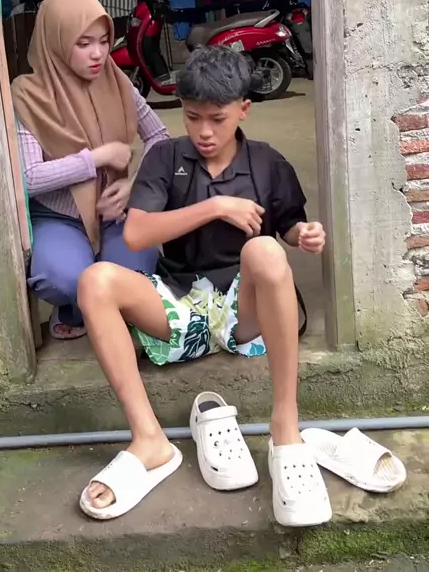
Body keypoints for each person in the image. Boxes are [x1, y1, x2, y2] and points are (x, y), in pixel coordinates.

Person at [77, 46, 331, 527]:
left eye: (217, 118)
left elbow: (288, 223)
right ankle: (149, 439)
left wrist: (304, 234)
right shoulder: (165, 156)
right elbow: (136, 233)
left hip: (243, 312)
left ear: (243, 109)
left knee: (264, 250)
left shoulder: (266, 162)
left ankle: (285, 427)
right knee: (95, 280)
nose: (205, 132)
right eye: (193, 118)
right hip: (180, 305)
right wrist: (216, 207)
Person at [12, 0, 168, 340]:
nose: (98, 53)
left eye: (103, 40)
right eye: (83, 44)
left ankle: (99, 304)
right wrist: (97, 158)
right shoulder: (27, 95)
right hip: (59, 217)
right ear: (56, 41)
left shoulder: (116, 80)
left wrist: (134, 185)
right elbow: (28, 177)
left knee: (136, 275)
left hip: (115, 213)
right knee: (63, 280)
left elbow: (160, 138)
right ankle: (76, 307)